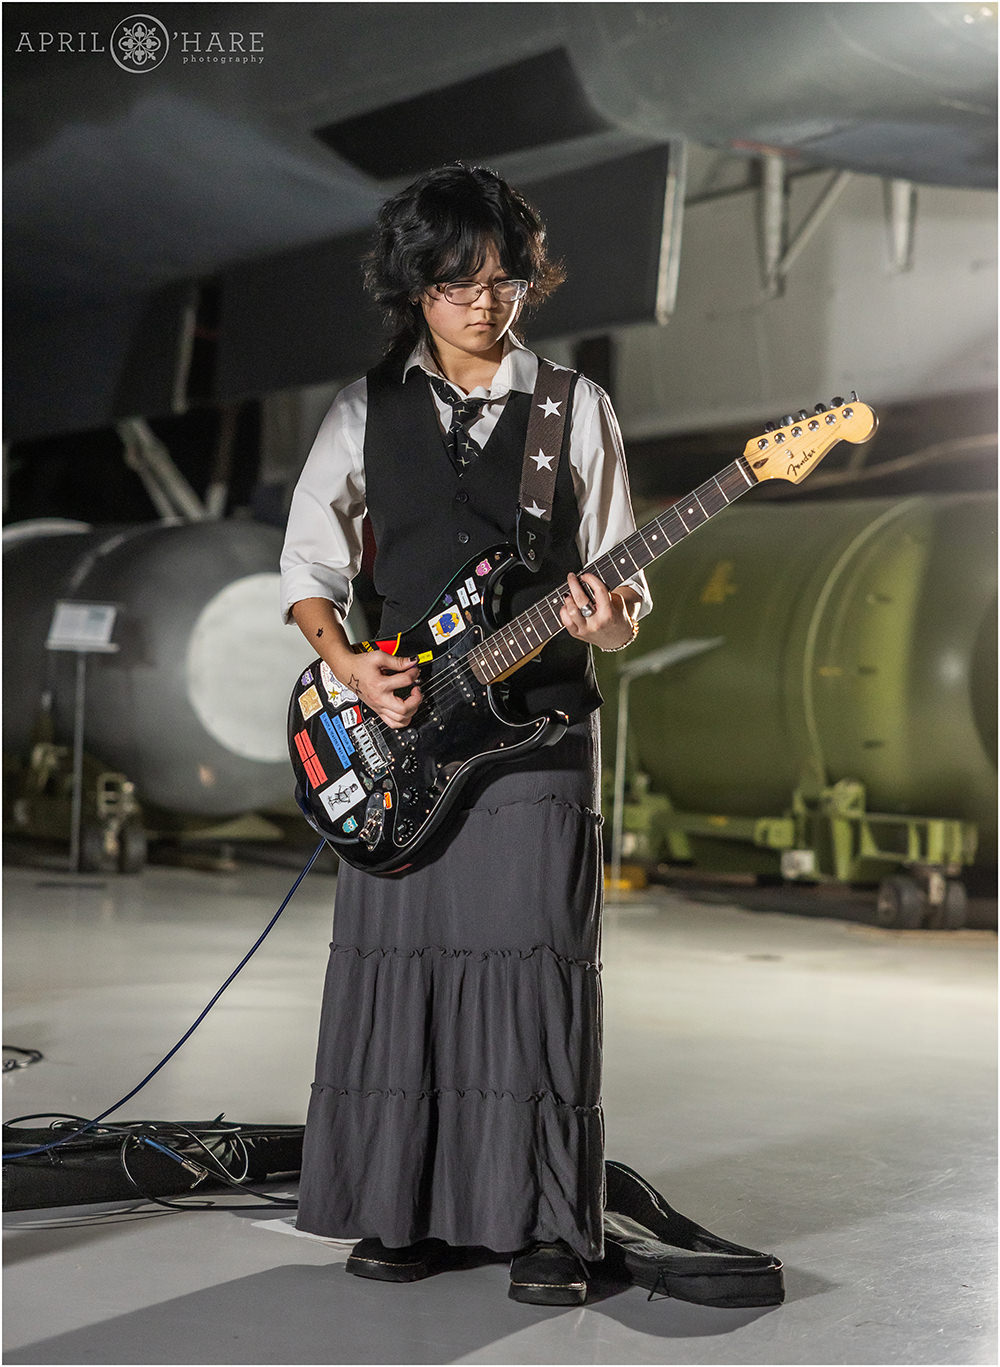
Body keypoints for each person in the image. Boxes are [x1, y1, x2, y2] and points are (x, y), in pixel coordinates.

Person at [280, 163, 650, 1305]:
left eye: (503, 281)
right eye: (456, 284)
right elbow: (307, 566)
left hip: (533, 740)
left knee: (533, 978)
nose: (484, 305)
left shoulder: (574, 408)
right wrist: (349, 666)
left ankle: (546, 1226)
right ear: (414, 288)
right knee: (406, 975)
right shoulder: (364, 408)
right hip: (399, 740)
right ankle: (401, 1212)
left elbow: (626, 602)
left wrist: (609, 613)